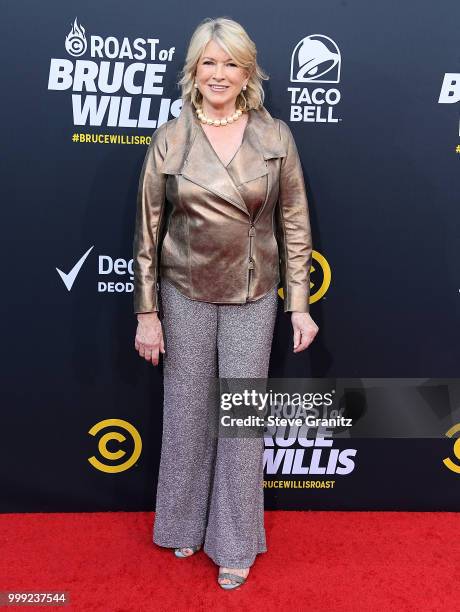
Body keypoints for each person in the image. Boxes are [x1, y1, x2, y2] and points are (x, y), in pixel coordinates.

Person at [132, 16, 318, 590]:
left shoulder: (275, 137)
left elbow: (294, 224)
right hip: (184, 291)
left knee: (239, 420)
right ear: (193, 70)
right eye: (208, 62)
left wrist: (300, 304)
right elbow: (148, 231)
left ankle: (235, 541)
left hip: (252, 292)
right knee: (187, 412)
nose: (219, 74)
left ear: (247, 72)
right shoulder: (172, 137)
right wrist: (146, 312)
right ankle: (182, 522)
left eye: (230, 63)